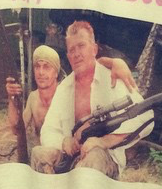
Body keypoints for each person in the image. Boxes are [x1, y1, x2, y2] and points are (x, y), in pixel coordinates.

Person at [31, 21, 154, 179]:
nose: (77, 54)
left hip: (103, 158)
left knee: (94, 156)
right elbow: (48, 129)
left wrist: (104, 141)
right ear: (68, 56)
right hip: (70, 158)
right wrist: (63, 142)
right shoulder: (64, 88)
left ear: (94, 49)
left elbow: (146, 117)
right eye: (72, 50)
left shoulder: (112, 79)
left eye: (81, 46)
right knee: (38, 153)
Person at [5, 43, 137, 136]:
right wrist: (11, 98)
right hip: (47, 155)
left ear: (56, 72)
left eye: (46, 67)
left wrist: (115, 62)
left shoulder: (66, 91)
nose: (41, 72)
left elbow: (92, 66)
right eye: (37, 67)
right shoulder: (33, 98)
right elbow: (17, 130)